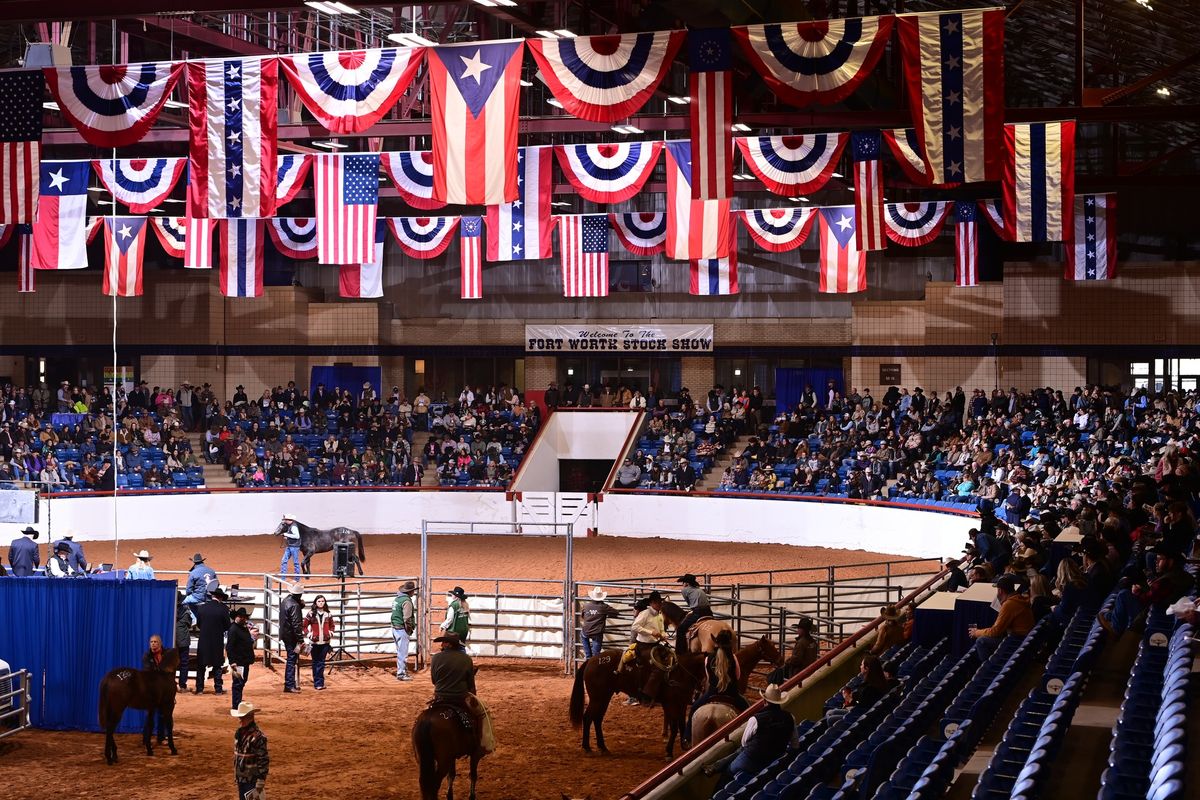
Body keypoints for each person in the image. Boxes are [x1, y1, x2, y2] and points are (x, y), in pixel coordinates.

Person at [706, 684, 797, 782]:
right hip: (775, 759)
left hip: (753, 760)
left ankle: (715, 787)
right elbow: (795, 744)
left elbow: (744, 742)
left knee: (728, 772)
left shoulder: (755, 719)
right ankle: (716, 766)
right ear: (779, 702)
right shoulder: (790, 717)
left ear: (764, 701)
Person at [1098, 545, 1193, 637]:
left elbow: (1146, 600)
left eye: (1160, 559)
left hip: (1153, 616)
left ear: (1171, 561)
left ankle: (1116, 628)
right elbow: (1158, 595)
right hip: (1160, 611)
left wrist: (1137, 592)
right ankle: (1110, 616)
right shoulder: (1182, 575)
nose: (1156, 561)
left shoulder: (1166, 581)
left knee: (1123, 595)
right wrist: (1152, 587)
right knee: (1119, 603)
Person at [430, 632, 496, 755]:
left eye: (444, 642)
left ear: (449, 644)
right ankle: (484, 744)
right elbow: (471, 685)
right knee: (484, 713)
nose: (442, 644)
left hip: (440, 697)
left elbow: (434, 680)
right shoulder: (466, 659)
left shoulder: (436, 658)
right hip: (459, 697)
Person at [685, 630, 748, 744]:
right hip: (731, 694)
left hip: (712, 694)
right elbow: (737, 676)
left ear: (716, 642)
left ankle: (687, 736)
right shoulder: (733, 658)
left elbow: (709, 678)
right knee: (748, 710)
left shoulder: (708, 659)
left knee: (694, 708)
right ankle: (749, 737)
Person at [968, 574, 1034, 660]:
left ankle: (987, 669)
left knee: (981, 641)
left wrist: (976, 632)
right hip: (1025, 638)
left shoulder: (1009, 605)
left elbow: (995, 632)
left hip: (1018, 639)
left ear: (1000, 591)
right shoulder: (1019, 598)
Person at [194, 588, 231, 694]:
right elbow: (227, 626)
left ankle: (199, 689)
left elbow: (199, 624)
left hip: (204, 639)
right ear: (220, 598)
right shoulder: (223, 609)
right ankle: (218, 689)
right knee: (217, 665)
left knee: (201, 665)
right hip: (217, 640)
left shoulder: (202, 608)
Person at [232, 702, 270, 800]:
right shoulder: (239, 733)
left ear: (249, 717)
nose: (240, 720)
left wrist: (261, 780)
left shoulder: (258, 737)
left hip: (252, 779)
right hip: (241, 778)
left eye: (242, 718)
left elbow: (263, 759)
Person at [773, 617, 819, 684]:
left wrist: (787, 662)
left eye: (799, 628)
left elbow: (796, 660)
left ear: (803, 630)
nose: (798, 630)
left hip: (799, 672)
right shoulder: (813, 642)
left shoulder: (801, 643)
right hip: (810, 670)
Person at [304, 594, 335, 691]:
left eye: (322, 601)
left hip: (325, 642)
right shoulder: (311, 614)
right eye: (319, 601)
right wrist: (309, 634)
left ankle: (319, 683)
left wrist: (330, 633)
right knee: (315, 662)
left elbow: (332, 626)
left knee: (321, 663)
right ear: (315, 603)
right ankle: (317, 682)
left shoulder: (328, 614)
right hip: (314, 642)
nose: (321, 603)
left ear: (325, 602)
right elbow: (304, 626)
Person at [674, 574, 713, 652]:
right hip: (708, 611)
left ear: (687, 583)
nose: (683, 584)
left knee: (681, 629)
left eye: (683, 582)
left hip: (698, 613)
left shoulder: (685, 590)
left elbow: (690, 603)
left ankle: (680, 651)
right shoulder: (699, 589)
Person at [227, 607, 255, 709]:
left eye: (244, 617)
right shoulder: (233, 629)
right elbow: (229, 647)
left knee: (242, 681)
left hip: (244, 660)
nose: (243, 619)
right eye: (241, 617)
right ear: (236, 617)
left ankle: (237, 701)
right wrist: (232, 661)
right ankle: (236, 704)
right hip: (238, 661)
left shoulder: (242, 628)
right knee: (238, 683)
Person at [579, 586, 620, 659]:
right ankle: (594, 660)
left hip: (586, 630)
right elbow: (616, 612)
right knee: (596, 654)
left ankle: (588, 657)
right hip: (597, 632)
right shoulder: (603, 607)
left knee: (583, 636)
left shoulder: (586, 605)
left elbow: (582, 616)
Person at [280, 583, 305, 693]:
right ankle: (289, 684)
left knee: (291, 659)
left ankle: (290, 683)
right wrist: (300, 639)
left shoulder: (286, 600)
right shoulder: (295, 605)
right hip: (291, 636)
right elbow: (296, 624)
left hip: (286, 634)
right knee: (291, 660)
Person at [391, 581, 417, 681]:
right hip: (402, 629)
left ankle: (402, 671)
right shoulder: (407, 601)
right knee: (403, 652)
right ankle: (401, 673)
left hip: (395, 627)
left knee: (400, 651)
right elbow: (407, 618)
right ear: (411, 591)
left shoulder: (397, 599)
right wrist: (409, 629)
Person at [176, 592, 195, 691]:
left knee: (171, 662)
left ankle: (171, 684)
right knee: (184, 663)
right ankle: (182, 685)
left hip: (172, 640)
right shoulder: (185, 612)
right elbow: (189, 624)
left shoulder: (170, 611)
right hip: (183, 640)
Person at [279, 514, 302, 578]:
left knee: (295, 562)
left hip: (294, 547)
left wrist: (286, 534)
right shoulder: (290, 526)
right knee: (284, 561)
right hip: (290, 546)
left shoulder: (293, 527)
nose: (285, 521)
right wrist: (287, 537)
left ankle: (297, 578)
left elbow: (297, 536)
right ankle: (282, 577)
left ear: (289, 520)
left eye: (286, 520)